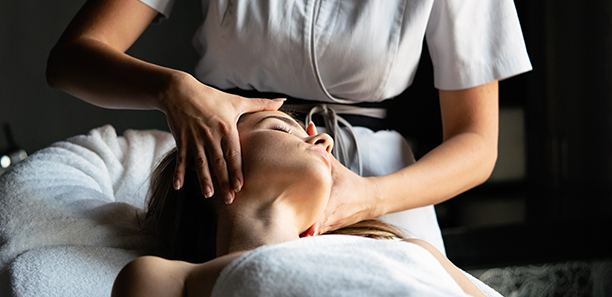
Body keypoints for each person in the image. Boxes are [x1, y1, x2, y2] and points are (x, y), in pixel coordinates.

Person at [46, 0, 532, 252]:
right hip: (234, 156)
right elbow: (71, 58)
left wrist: (368, 198)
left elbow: (477, 143)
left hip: (378, 180)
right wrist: (173, 89)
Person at [111, 110, 487, 297]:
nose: (322, 140)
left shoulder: (415, 252)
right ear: (211, 164)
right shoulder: (167, 280)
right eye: (280, 126)